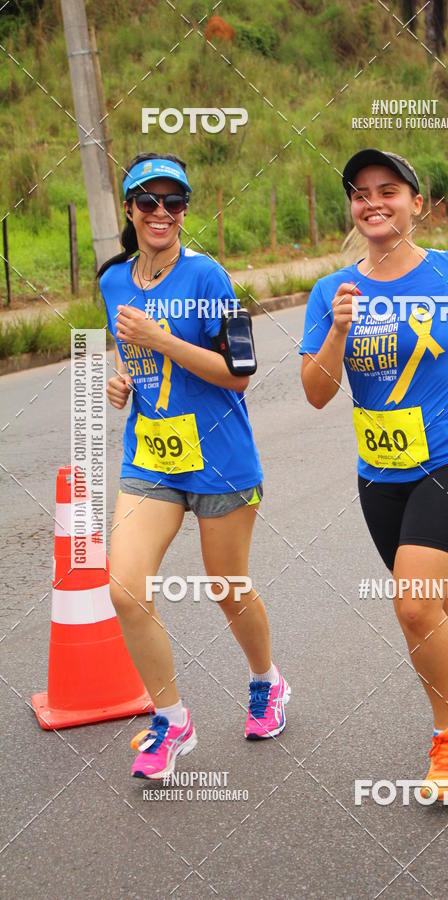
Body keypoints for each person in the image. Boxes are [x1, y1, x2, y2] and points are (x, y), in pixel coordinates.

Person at [300, 149, 448, 801]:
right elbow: (316, 392)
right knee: (434, 601)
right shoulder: (332, 292)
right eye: (361, 193)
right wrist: (336, 334)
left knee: (411, 605)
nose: (373, 202)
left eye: (389, 190)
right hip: (380, 474)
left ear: (417, 204)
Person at [97, 152, 290, 780]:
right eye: (148, 201)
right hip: (150, 455)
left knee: (227, 589)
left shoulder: (212, 278)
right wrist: (122, 377)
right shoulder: (112, 282)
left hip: (221, 462)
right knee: (124, 586)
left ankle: (267, 682)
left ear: (185, 210)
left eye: (173, 202)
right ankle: (171, 720)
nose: (161, 213)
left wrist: (164, 342)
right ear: (130, 209)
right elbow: (128, 353)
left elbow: (242, 373)